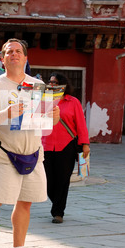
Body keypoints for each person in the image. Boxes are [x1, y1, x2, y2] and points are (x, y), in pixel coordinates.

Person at [0, 39, 60, 248]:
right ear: (3, 59)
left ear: (25, 58)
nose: (13, 55)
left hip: (33, 152)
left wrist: (53, 116)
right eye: (9, 52)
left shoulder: (37, 85)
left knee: (25, 203)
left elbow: (45, 124)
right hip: (5, 153)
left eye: (18, 52)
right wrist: (6, 112)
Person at [42, 73, 90, 223]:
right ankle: (57, 202)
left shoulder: (73, 102)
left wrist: (85, 144)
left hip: (67, 145)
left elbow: (81, 124)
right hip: (46, 145)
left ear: (63, 85)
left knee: (63, 180)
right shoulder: (43, 101)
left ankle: (58, 212)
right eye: (50, 82)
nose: (52, 85)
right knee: (47, 180)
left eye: (55, 82)